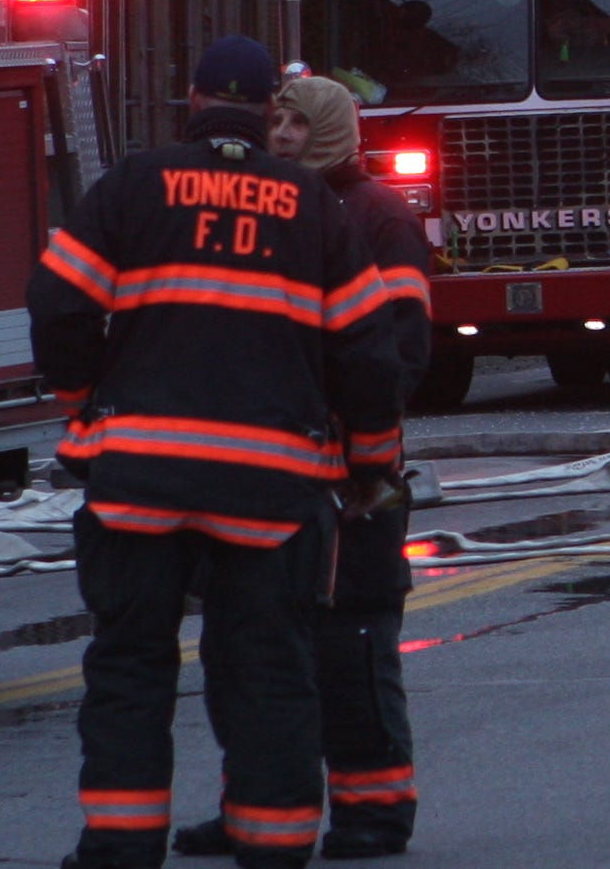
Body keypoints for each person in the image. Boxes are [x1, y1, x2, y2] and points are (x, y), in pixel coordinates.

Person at [33, 38, 423, 869]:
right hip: (271, 491)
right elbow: (367, 355)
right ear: (263, 107)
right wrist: (371, 468)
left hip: (136, 475)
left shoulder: (136, 184)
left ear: (194, 94)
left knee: (130, 666)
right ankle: (273, 842)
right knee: (268, 666)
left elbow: (59, 304)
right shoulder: (315, 206)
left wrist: (82, 415)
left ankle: (120, 844)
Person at [172, 75, 432, 861]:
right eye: (273, 118)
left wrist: (361, 458)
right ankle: (255, 804)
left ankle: (374, 811)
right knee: (247, 649)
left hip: (350, 480)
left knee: (350, 645)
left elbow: (398, 350)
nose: (280, 133)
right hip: (263, 474)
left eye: (295, 121)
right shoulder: (266, 208)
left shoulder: (378, 217)